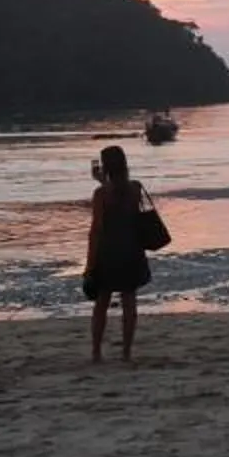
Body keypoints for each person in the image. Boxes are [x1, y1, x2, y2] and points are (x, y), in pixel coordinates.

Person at [83, 144, 157, 364]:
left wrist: (89, 264)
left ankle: (96, 352)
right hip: (131, 250)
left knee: (102, 303)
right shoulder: (135, 188)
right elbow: (125, 201)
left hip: (107, 252)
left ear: (105, 167)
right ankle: (126, 352)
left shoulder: (100, 194)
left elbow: (96, 230)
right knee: (129, 302)